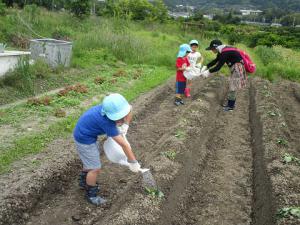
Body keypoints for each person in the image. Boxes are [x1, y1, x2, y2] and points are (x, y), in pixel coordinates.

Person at [73, 93, 141, 206]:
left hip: (87, 134)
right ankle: (91, 194)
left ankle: (84, 180)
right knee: (95, 168)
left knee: (90, 162)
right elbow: (124, 145)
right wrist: (133, 162)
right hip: (84, 139)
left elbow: (130, 110)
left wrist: (126, 125)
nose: (121, 120)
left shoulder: (109, 109)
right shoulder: (106, 122)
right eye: (119, 119)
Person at [202, 39, 248, 111]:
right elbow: (216, 60)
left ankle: (230, 106)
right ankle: (230, 105)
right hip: (235, 68)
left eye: (212, 49)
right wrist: (207, 66)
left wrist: (208, 72)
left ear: (216, 47)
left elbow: (218, 67)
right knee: (232, 86)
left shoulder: (224, 53)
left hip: (237, 68)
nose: (212, 50)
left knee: (233, 87)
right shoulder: (223, 51)